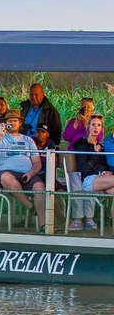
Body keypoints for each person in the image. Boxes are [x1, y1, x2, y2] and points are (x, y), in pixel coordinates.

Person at [0, 109, 46, 231]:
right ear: (4, 123)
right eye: (9, 121)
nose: (12, 123)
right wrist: (0, 135)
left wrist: (31, 173)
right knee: (6, 178)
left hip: (27, 173)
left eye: (15, 121)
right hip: (6, 171)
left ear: (20, 123)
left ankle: (43, 225)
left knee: (39, 186)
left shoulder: (28, 140)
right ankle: (29, 205)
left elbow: (37, 162)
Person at [63, 98, 102, 229]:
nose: (86, 109)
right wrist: (78, 122)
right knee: (76, 184)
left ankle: (89, 218)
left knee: (89, 184)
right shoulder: (74, 121)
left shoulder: (95, 124)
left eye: (89, 107)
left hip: (89, 156)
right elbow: (66, 137)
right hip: (74, 155)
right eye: (83, 106)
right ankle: (78, 218)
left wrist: (87, 124)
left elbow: (98, 138)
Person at [72, 115, 114, 218]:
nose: (96, 127)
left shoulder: (101, 146)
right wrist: (95, 154)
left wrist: (107, 172)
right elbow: (84, 170)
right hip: (88, 180)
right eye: (93, 125)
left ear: (101, 128)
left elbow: (104, 165)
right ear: (88, 127)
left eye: (98, 125)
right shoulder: (82, 145)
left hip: (102, 179)